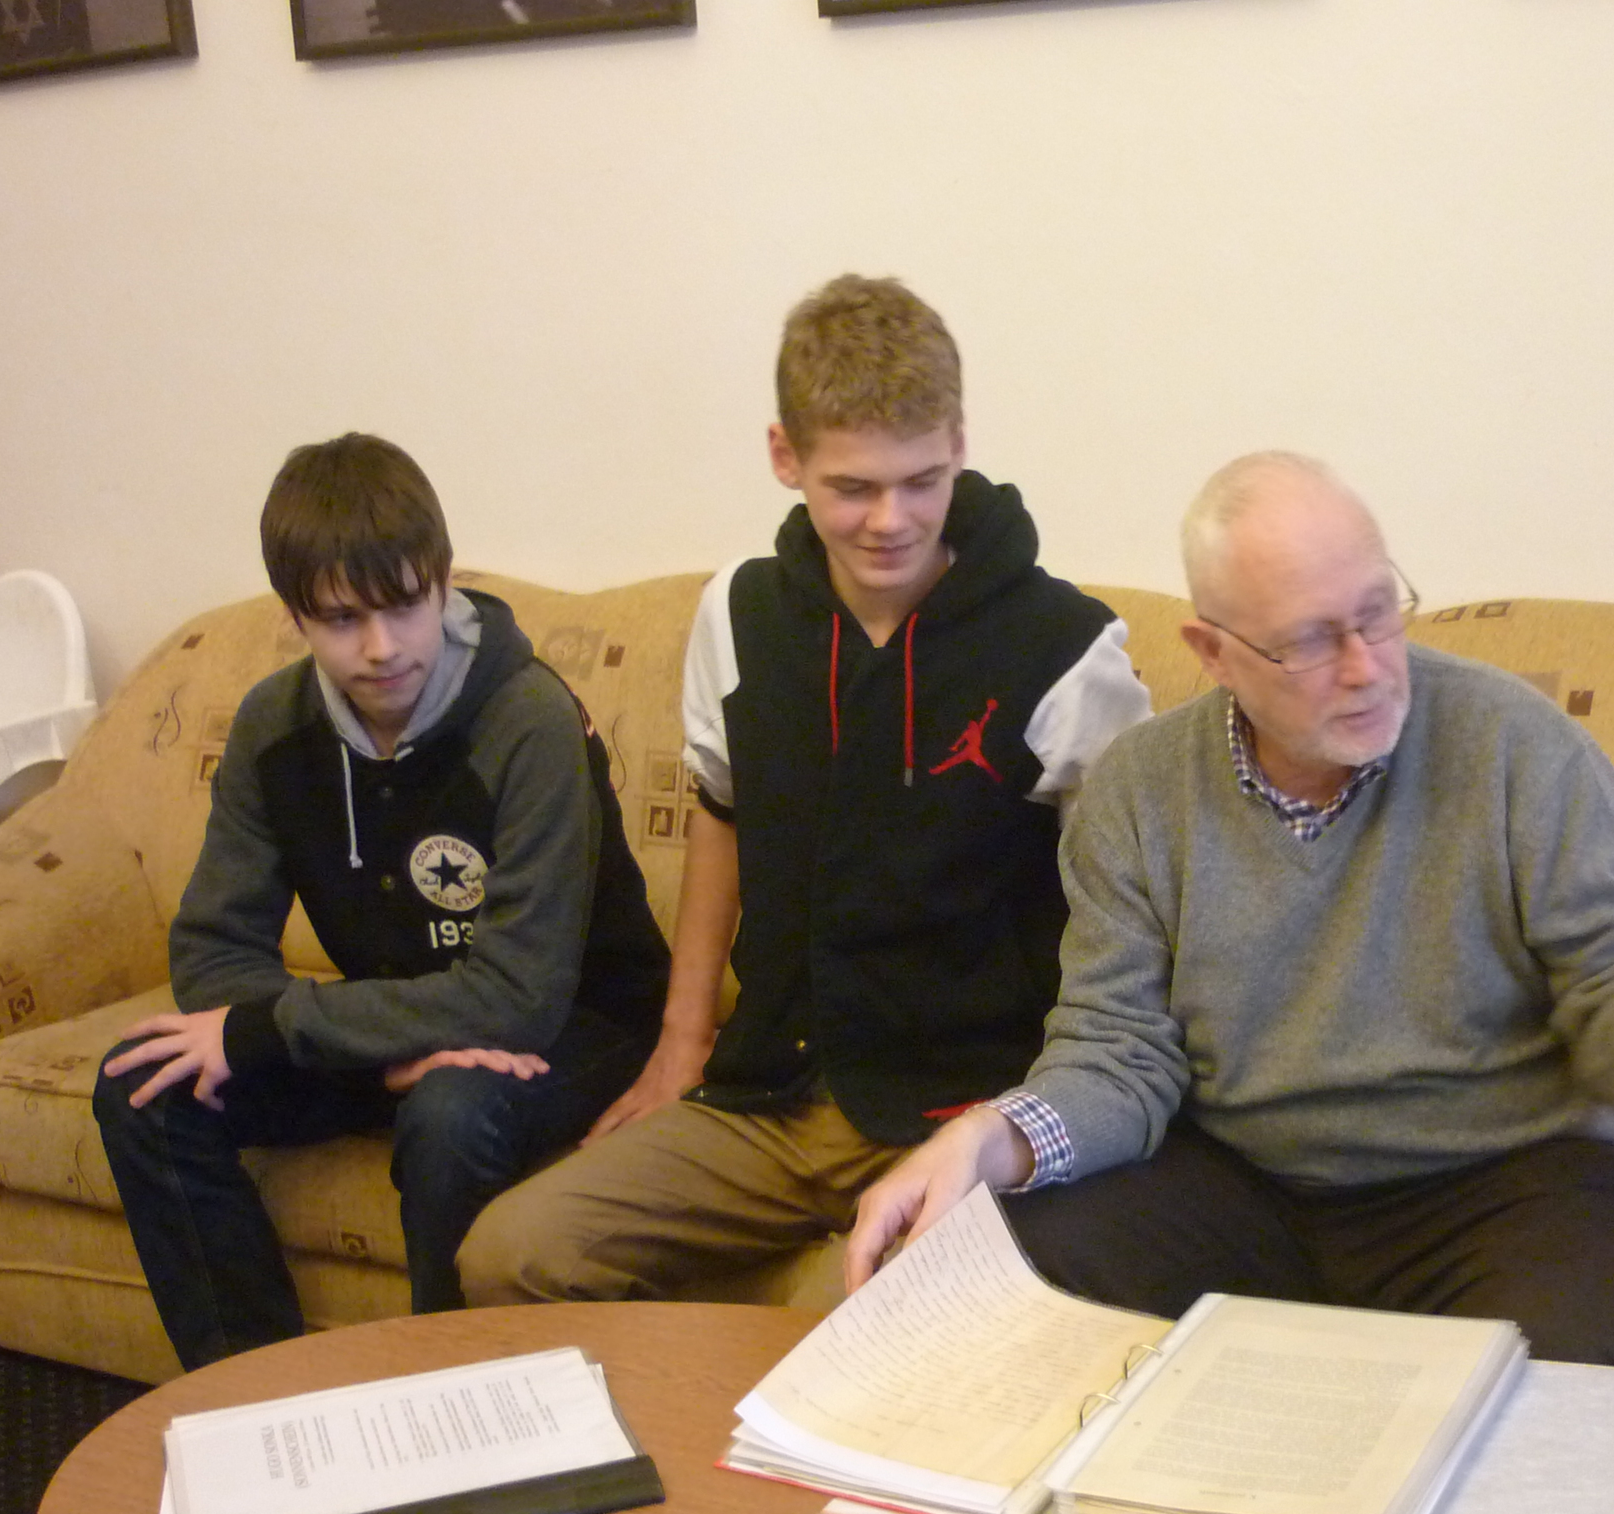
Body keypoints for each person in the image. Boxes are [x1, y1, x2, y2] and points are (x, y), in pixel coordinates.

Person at [848, 451, 1614, 1367]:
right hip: (1241, 1185)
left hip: (1504, 1185)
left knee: (1548, 1405)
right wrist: (995, 1135)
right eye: (1312, 639)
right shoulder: (1139, 790)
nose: (1366, 667)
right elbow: (1118, 1053)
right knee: (999, 1289)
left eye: (1378, 613)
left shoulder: (1521, 751)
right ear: (1214, 653)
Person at [456, 275, 1152, 1304]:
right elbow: (721, 815)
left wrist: (1037, 1116)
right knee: (511, 1256)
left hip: (959, 1110)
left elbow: (1129, 915)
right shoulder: (738, 615)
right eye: (852, 488)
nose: (890, 520)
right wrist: (682, 1046)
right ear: (786, 456)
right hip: (769, 1098)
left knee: (846, 1317)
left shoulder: (1068, 651)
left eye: (921, 481)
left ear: (960, 444)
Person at [95, 432, 668, 1369]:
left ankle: (447, 1398)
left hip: (579, 1021)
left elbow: (520, 994)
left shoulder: (529, 718)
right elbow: (212, 953)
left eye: (405, 605)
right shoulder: (272, 726)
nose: (381, 647)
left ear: (441, 580)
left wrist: (303, 1032)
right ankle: (250, 1384)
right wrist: (378, 1052)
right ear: (295, 616)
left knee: (450, 1113)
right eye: (341, 619)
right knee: (141, 1083)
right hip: (401, 1029)